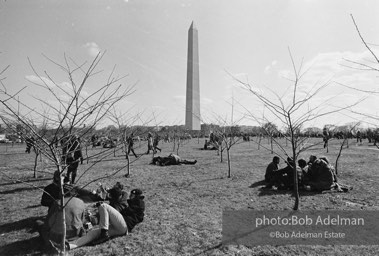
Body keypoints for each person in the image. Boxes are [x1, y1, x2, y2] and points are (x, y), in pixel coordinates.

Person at [68, 188, 145, 250]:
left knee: (103, 206)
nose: (130, 196)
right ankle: (69, 245)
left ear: (137, 196)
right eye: (131, 194)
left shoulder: (139, 202)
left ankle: (104, 233)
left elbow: (136, 211)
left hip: (124, 225)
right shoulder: (128, 202)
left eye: (133, 195)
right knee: (93, 233)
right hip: (119, 228)